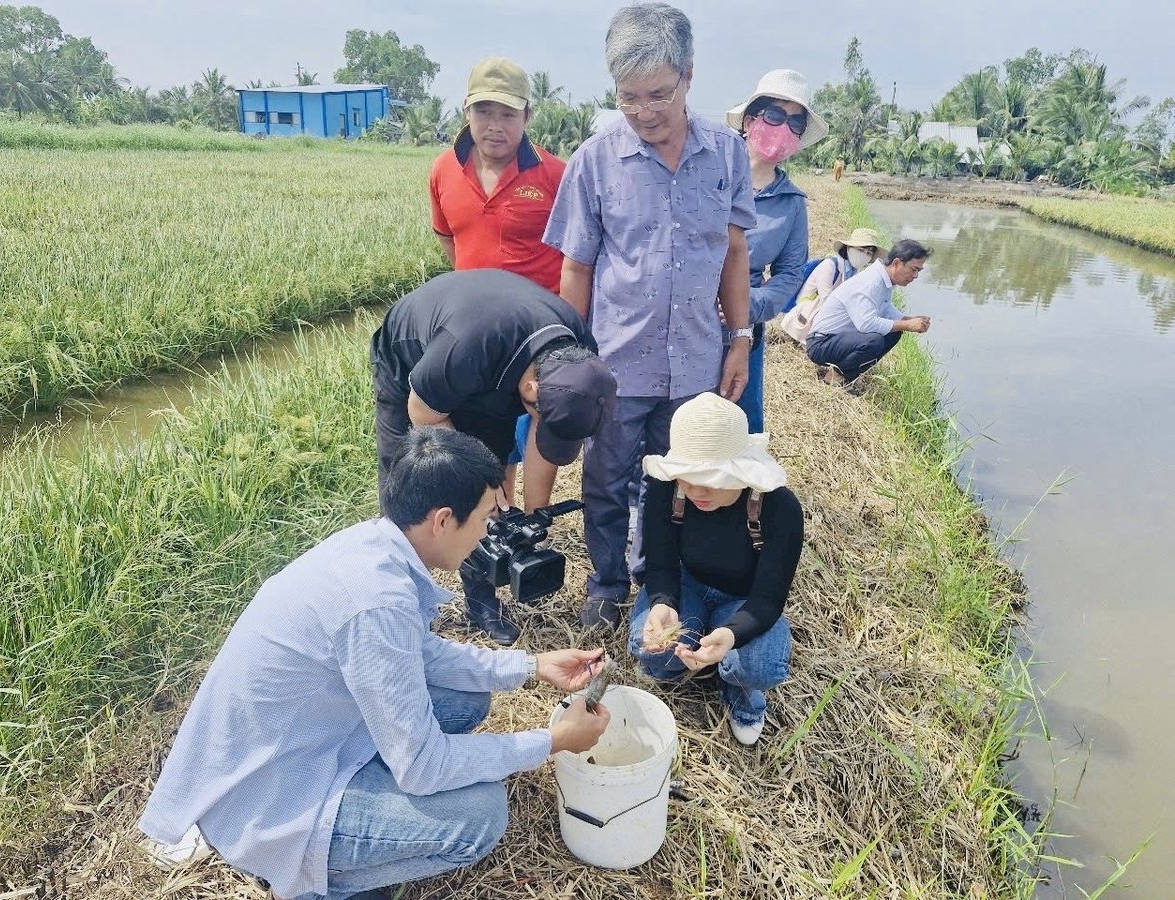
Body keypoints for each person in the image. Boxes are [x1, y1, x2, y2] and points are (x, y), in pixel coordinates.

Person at [138, 428, 612, 900]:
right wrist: (553, 740)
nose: (489, 535)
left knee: (465, 700)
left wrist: (532, 666)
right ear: (443, 520)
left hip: (307, 738)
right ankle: (315, 882)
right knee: (480, 817)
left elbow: (419, 654)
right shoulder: (375, 602)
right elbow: (423, 767)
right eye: (487, 518)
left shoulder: (373, 547)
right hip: (271, 798)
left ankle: (359, 815)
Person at [543, 2, 757, 631]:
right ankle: (608, 583)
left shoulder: (726, 155)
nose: (643, 111)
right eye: (628, 96)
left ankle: (659, 583)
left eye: (658, 94)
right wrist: (571, 355)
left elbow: (735, 251)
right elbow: (577, 267)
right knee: (605, 483)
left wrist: (739, 339)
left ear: (688, 75)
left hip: (695, 358)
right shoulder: (595, 159)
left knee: (674, 486)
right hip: (615, 361)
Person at [370, 269, 617, 644]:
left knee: (491, 494)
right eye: (540, 412)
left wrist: (532, 519)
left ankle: (480, 598)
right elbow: (423, 412)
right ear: (533, 389)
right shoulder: (467, 346)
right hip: (411, 368)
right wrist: (476, 483)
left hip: (492, 376)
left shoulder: (579, 359)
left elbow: (541, 429)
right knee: (408, 489)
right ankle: (396, 606)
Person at [429, 57, 567, 506]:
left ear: (527, 117)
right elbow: (450, 240)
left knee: (542, 411)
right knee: (487, 431)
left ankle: (535, 518)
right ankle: (496, 518)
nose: (494, 125)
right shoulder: (443, 172)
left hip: (538, 333)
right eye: (484, 111)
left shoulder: (555, 175)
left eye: (508, 114)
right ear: (466, 111)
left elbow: (577, 257)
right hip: (475, 333)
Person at [629, 392, 802, 745]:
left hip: (742, 601)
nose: (695, 491)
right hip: (688, 585)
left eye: (711, 478)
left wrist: (732, 635)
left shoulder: (779, 508)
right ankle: (697, 650)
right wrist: (663, 603)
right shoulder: (667, 490)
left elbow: (767, 600)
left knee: (760, 665)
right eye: (686, 477)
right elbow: (661, 564)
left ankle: (737, 685)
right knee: (650, 650)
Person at [726, 69, 829, 432]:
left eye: (795, 121)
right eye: (775, 115)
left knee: (740, 422)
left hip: (742, 330)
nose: (783, 126)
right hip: (683, 320)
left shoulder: (791, 204)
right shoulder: (709, 174)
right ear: (751, 119)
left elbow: (789, 275)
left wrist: (745, 306)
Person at [805, 238, 933, 387]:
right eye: (914, 269)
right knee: (874, 341)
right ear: (897, 263)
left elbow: (885, 308)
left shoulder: (883, 280)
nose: (916, 276)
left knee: (893, 333)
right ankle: (836, 377)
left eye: (919, 271)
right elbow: (866, 324)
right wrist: (907, 325)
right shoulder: (871, 282)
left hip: (837, 339)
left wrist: (908, 319)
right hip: (821, 344)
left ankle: (846, 375)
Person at [779, 226, 884, 345]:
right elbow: (827, 301)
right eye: (861, 250)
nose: (864, 255)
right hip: (805, 319)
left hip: (823, 319)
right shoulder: (830, 266)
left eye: (869, 253)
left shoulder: (853, 273)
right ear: (849, 248)